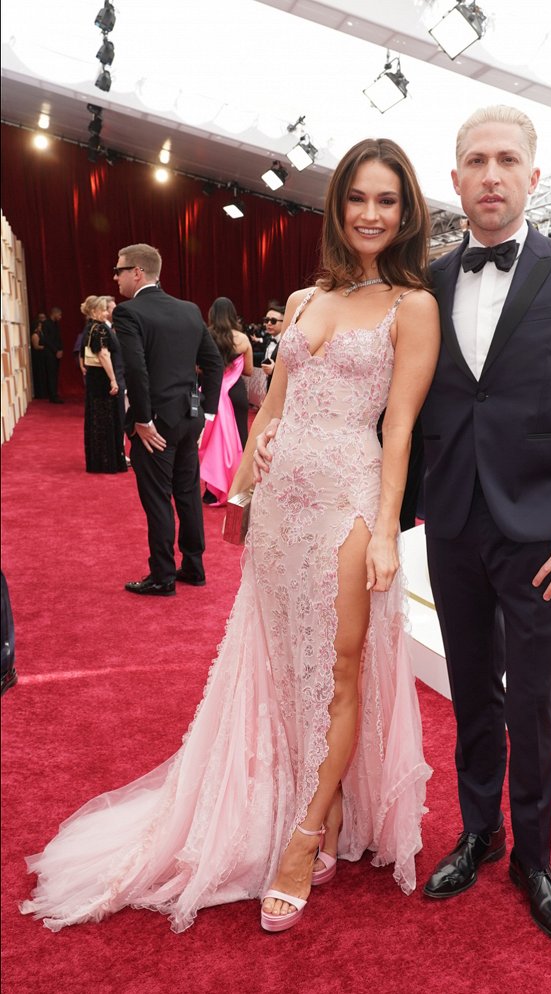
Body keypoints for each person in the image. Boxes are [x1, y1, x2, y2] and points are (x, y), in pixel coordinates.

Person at [20, 139, 440, 934]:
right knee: (284, 655)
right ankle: (318, 792)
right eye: (358, 198)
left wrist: (386, 531)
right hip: (283, 501)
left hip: (350, 497)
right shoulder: (306, 297)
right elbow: (270, 410)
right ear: (338, 207)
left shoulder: (411, 306)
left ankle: (307, 832)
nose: (371, 214)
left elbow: (402, 430)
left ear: (405, 211)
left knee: (340, 665)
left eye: (387, 201)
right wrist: (240, 495)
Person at [420, 106, 551, 946]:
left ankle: (533, 860)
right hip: (452, 524)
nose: (491, 175)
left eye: (507, 160)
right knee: (471, 686)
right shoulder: (430, 280)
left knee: (532, 702)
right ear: (455, 179)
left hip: (544, 531)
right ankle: (480, 833)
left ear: (533, 176)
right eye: (475, 160)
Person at [109, 244, 223, 595]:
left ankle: (162, 576)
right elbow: (215, 363)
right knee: (187, 494)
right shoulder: (189, 310)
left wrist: (142, 419)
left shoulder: (129, 313)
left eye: (119, 270)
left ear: (137, 273)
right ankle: (194, 567)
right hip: (189, 418)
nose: (116, 277)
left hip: (156, 424)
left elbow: (136, 370)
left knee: (158, 498)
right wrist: (206, 413)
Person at [200, 296, 253, 507]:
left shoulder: (206, 336)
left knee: (212, 441)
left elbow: (199, 367)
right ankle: (240, 489)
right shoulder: (242, 339)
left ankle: (212, 490)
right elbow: (249, 370)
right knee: (241, 438)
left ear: (212, 314)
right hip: (236, 392)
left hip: (212, 393)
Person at [81, 296, 127, 475]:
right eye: (104, 310)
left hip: (95, 380)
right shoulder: (100, 328)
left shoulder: (89, 328)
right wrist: (113, 380)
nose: (108, 313)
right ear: (94, 311)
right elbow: (103, 355)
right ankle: (108, 461)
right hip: (103, 382)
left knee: (97, 419)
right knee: (108, 419)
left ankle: (99, 460)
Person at [40, 307, 64, 403]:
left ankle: (54, 394)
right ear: (54, 313)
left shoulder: (55, 324)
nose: (60, 317)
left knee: (55, 374)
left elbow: (58, 338)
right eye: (59, 315)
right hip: (50, 353)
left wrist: (61, 349)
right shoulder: (46, 324)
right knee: (51, 374)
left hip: (56, 352)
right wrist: (56, 351)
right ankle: (52, 396)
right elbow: (47, 340)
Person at [259, 303, 285, 391]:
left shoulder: (289, 343)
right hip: (268, 389)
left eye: (273, 321)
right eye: (266, 320)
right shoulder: (269, 340)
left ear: (284, 322)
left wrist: (274, 371)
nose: (269, 323)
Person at [29, 313, 48, 399]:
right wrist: (45, 347)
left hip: (42, 356)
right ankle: (40, 393)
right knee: (39, 374)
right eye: (39, 326)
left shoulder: (41, 334)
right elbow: (36, 346)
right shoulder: (35, 335)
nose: (41, 327)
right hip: (38, 357)